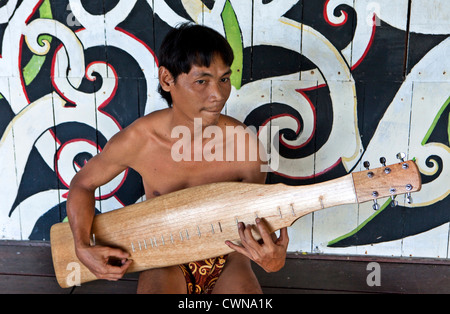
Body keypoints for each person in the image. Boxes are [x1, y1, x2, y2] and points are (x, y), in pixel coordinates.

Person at [66, 23, 289, 294]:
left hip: (230, 258)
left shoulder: (245, 145)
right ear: (167, 79)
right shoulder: (140, 140)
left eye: (224, 79)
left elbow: (257, 226)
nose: (218, 95)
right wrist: (82, 246)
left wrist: (273, 261)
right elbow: (83, 184)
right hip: (164, 258)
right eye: (202, 81)